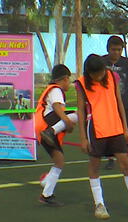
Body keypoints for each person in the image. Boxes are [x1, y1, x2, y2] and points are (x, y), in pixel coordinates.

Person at [75, 54, 128, 219]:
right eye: (97, 74)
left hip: (115, 127)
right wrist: (83, 138)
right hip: (95, 129)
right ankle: (99, 205)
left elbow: (118, 102)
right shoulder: (80, 84)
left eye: (102, 72)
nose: (101, 76)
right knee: (94, 166)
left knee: (126, 164)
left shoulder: (111, 76)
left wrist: (125, 129)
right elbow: (80, 111)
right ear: (89, 72)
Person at [35, 64, 78, 206]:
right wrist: (66, 121)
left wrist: (67, 124)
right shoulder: (56, 90)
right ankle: (46, 194)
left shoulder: (51, 89)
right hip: (47, 125)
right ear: (64, 79)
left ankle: (47, 184)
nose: (70, 84)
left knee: (59, 161)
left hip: (41, 127)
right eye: (69, 80)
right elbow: (56, 107)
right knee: (79, 114)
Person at [101, 35, 128, 170]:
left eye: (119, 50)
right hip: (107, 104)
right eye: (113, 50)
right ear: (108, 49)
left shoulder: (127, 63)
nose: (116, 53)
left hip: (125, 102)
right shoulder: (101, 62)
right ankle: (110, 158)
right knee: (109, 130)